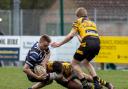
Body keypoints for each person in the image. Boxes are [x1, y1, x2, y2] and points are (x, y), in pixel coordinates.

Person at [51, 7, 114, 89]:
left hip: (87, 43)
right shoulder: (92, 23)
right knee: (86, 62)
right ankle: (96, 83)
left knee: (74, 63)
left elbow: (70, 36)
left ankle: (85, 84)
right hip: (97, 43)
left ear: (78, 16)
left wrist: (59, 44)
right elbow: (90, 37)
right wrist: (80, 38)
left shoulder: (78, 21)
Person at [49, 61, 113, 89]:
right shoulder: (49, 66)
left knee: (89, 78)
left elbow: (75, 73)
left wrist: (68, 78)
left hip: (72, 74)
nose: (60, 73)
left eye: (61, 71)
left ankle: (107, 84)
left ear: (63, 68)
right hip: (63, 80)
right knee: (79, 87)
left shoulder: (67, 66)